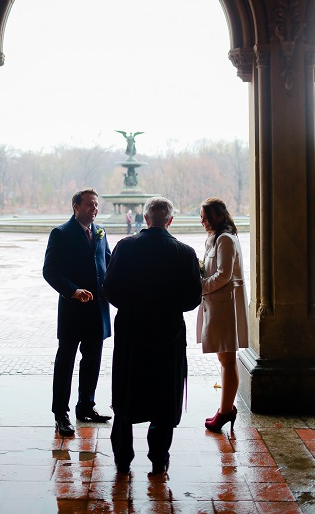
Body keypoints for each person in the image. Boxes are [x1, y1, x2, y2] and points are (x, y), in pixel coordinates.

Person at [102, 197, 202, 475]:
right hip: (168, 332)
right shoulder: (185, 252)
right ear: (170, 221)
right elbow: (194, 297)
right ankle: (159, 457)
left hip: (132, 331)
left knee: (125, 392)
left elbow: (110, 289)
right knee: (164, 393)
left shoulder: (125, 247)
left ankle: (123, 458)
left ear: (145, 219)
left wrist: (133, 305)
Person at [43, 188, 112, 437]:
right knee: (66, 362)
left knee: (93, 360)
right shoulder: (61, 234)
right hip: (73, 308)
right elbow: (50, 271)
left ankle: (86, 407)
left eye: (96, 205)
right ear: (76, 206)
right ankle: (61, 414)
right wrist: (73, 291)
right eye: (90, 205)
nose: (94, 209)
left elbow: (109, 262)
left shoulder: (101, 233)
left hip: (98, 308)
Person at [196, 197, 249, 433]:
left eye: (206, 217)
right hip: (219, 305)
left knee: (227, 359)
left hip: (225, 306)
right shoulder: (217, 238)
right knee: (225, 359)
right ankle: (226, 409)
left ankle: (226, 411)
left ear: (218, 215)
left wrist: (199, 284)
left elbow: (224, 275)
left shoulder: (225, 239)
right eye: (201, 217)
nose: (202, 221)